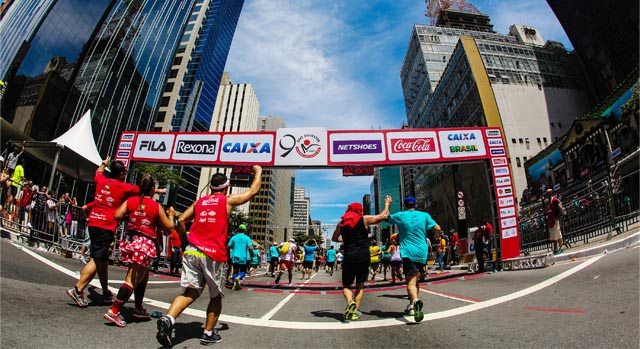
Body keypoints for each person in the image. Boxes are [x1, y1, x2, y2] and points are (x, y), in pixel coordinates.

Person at [156, 166, 262, 347]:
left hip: (191, 250)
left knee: (190, 292)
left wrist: (184, 240)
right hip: (213, 254)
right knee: (215, 297)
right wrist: (258, 172)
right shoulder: (227, 200)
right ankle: (208, 333)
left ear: (212, 187)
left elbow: (181, 220)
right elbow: (253, 191)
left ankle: (169, 319)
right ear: (226, 187)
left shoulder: (200, 202)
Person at [66, 158, 145, 308]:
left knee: (102, 260)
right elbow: (143, 190)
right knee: (97, 260)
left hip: (93, 223)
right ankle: (78, 289)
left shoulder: (101, 180)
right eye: (124, 173)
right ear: (122, 173)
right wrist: (158, 190)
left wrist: (104, 162)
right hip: (106, 226)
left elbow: (98, 171)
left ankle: (105, 292)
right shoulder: (124, 186)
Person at [104, 174, 175, 327]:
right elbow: (169, 227)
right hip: (145, 243)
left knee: (143, 277)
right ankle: (114, 310)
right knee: (131, 279)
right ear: (152, 189)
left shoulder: (131, 201)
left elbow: (117, 215)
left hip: (132, 240)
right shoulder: (156, 206)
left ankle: (138, 307)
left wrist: (131, 220)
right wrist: (170, 216)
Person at [332, 195, 391, 321]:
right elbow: (383, 216)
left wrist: (346, 238)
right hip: (363, 256)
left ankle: (350, 302)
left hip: (349, 257)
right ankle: (355, 311)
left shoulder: (341, 223)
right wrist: (387, 203)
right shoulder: (364, 219)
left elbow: (334, 239)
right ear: (360, 210)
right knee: (360, 285)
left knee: (347, 285)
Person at [388, 196, 442, 323]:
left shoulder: (401, 215)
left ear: (404, 205)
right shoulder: (425, 215)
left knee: (410, 282)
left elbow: (387, 217)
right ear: (415, 204)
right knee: (415, 279)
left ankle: (416, 301)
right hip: (422, 252)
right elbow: (438, 228)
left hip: (408, 252)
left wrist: (388, 204)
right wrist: (437, 236)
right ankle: (412, 305)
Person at [227, 224, 253, 290]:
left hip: (234, 256)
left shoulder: (234, 237)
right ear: (244, 230)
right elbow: (250, 247)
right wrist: (251, 254)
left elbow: (228, 246)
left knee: (235, 270)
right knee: (243, 271)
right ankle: (238, 277)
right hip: (243, 257)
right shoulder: (247, 238)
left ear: (239, 229)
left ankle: (235, 283)